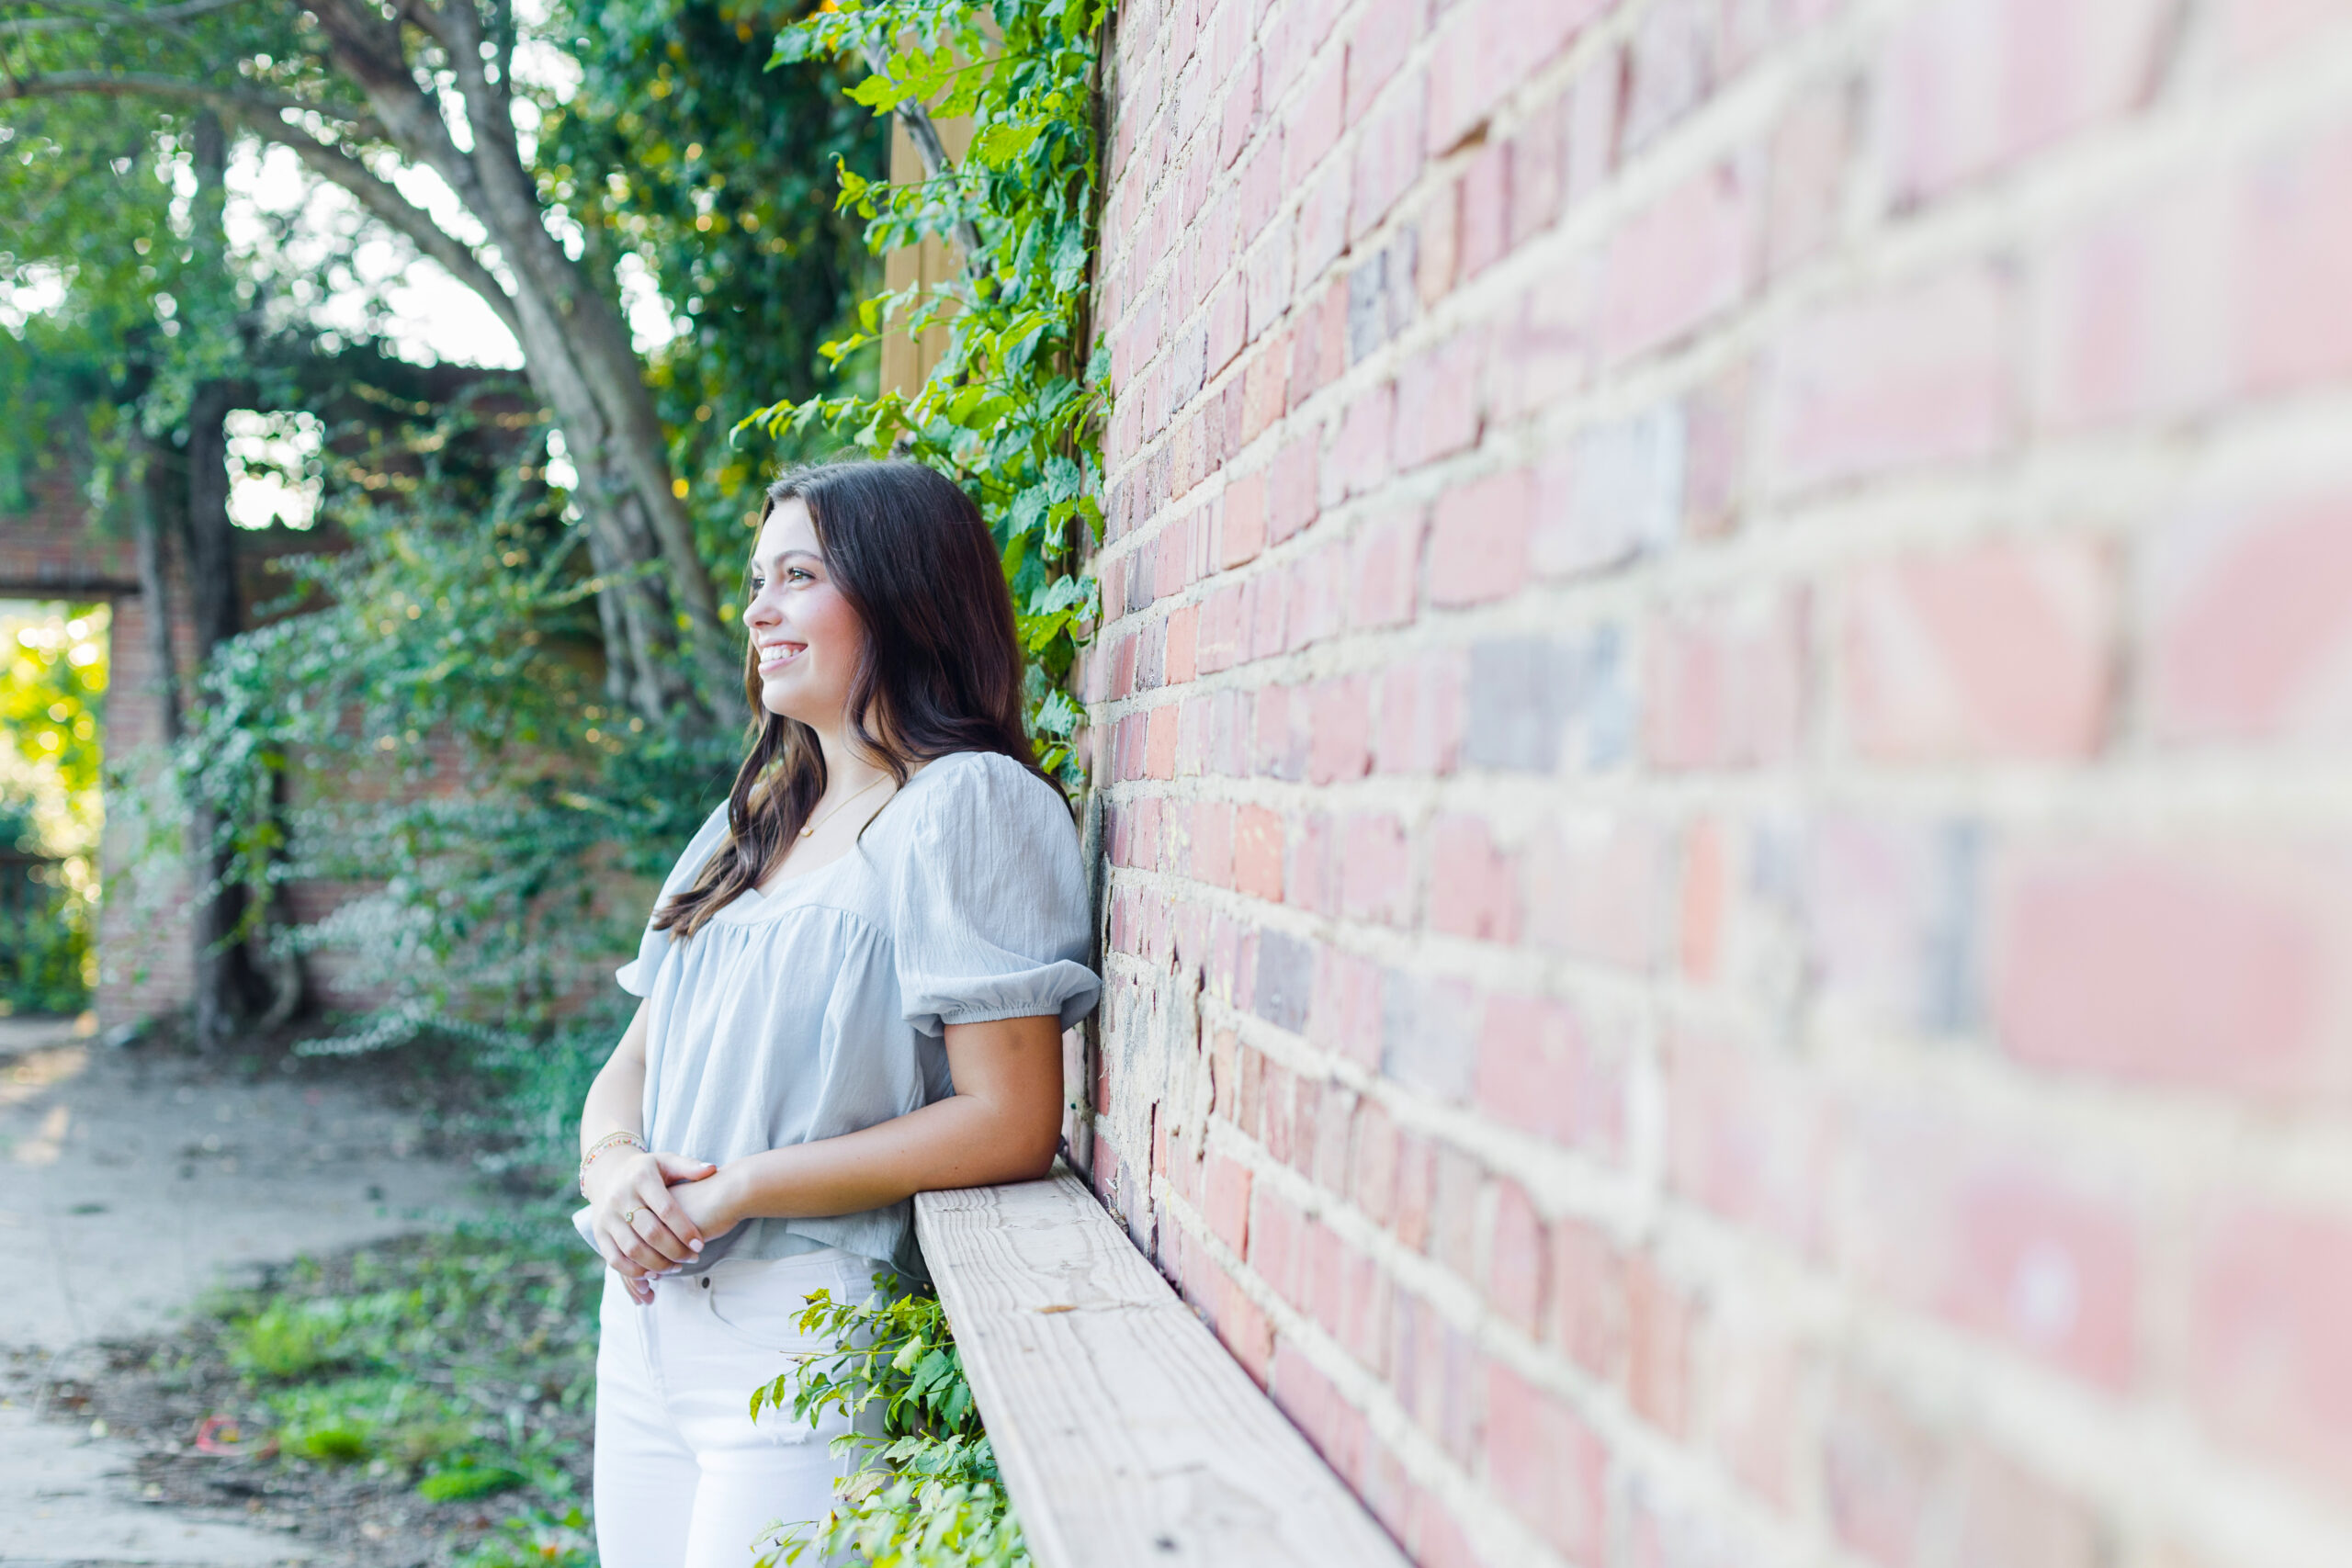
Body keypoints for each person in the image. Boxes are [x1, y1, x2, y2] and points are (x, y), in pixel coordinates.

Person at [571, 459, 1099, 1567]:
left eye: (797, 575)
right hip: (645, 1322)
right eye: (757, 579)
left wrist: (743, 1186)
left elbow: (1010, 1118)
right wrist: (615, 1169)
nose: (758, 609)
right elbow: (632, 1063)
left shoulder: (966, 806)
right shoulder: (748, 822)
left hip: (800, 1329)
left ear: (901, 592)